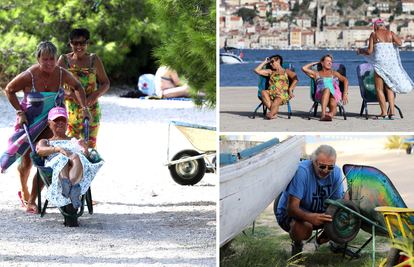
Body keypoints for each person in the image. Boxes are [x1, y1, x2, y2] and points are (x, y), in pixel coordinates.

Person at [0, 40, 92, 213]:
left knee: (46, 159)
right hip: (31, 120)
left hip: (52, 119)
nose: (49, 63)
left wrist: (84, 108)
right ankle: (25, 191)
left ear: (56, 58)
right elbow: (9, 90)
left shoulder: (61, 73)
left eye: (52, 59)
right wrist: (20, 112)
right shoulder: (29, 75)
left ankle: (42, 196)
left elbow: (78, 86)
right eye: (45, 59)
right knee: (27, 161)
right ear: (38, 59)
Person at [275, 145, 360, 260]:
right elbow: (291, 208)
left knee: (347, 202)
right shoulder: (302, 171)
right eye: (322, 166)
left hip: (320, 213)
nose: (326, 171)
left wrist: (331, 226)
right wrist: (309, 217)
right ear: (313, 161)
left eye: (330, 167)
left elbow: (337, 205)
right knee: (303, 228)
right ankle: (297, 247)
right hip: (293, 215)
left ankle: (336, 246)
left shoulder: (336, 172)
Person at [36, 107, 104, 209]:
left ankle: (70, 186)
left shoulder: (74, 140)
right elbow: (40, 151)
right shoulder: (46, 141)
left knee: (77, 156)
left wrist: (85, 148)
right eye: (56, 120)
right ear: (49, 124)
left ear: (67, 123)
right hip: (56, 166)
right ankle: (68, 185)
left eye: (63, 119)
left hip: (76, 168)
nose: (60, 122)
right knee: (62, 158)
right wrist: (59, 149)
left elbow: (84, 156)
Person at [57, 28, 110, 148]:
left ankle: (89, 166)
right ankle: (74, 167)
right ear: (70, 44)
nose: (78, 46)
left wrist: (94, 96)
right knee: (72, 145)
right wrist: (71, 95)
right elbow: (56, 86)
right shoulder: (64, 60)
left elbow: (105, 83)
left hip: (92, 108)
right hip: (71, 110)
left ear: (88, 43)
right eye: (75, 43)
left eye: (82, 43)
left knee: (90, 145)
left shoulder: (94, 59)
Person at [357, 19, 414, 120]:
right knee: (389, 88)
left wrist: (361, 51)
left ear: (375, 27)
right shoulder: (391, 33)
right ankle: (392, 113)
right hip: (391, 64)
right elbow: (400, 43)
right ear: (384, 26)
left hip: (380, 64)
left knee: (379, 88)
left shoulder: (373, 34)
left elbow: (370, 52)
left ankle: (384, 113)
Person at [302, 55, 349, 121]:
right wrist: (313, 63)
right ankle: (323, 114)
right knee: (327, 89)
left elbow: (345, 80)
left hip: (334, 93)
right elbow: (303, 68)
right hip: (320, 93)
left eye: (331, 61)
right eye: (327, 61)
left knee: (333, 104)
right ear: (322, 62)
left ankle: (330, 115)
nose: (330, 63)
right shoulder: (316, 73)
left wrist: (345, 93)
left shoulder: (334, 73)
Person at [253, 55, 298, 119]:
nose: (271, 64)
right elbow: (256, 70)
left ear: (278, 61)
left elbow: (295, 79)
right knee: (263, 92)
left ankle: (271, 114)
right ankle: (273, 113)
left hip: (282, 94)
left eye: (272, 62)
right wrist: (265, 62)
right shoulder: (270, 72)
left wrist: (290, 90)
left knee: (276, 101)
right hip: (270, 93)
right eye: (270, 62)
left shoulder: (286, 71)